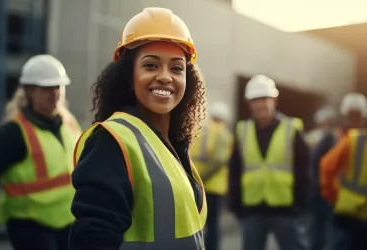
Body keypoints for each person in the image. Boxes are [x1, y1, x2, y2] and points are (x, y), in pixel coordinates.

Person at [68, 7, 208, 250]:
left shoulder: (174, 145)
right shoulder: (111, 141)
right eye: (151, 65)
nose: (165, 77)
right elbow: (92, 239)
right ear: (128, 77)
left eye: (176, 68)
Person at [0, 54, 82, 250]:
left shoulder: (69, 123)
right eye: (47, 88)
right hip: (30, 225)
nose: (55, 93)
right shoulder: (13, 133)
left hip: (69, 220)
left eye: (58, 86)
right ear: (29, 91)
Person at [228, 74, 310, 250]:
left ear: (274, 100)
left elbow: (304, 169)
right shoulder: (242, 130)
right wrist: (235, 203)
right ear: (249, 103)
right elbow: (235, 169)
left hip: (286, 208)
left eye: (264, 98)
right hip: (252, 208)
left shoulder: (291, 128)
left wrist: (300, 203)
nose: (260, 104)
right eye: (255, 99)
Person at [307, 92, 367, 250]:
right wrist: (327, 194)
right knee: (322, 239)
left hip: (346, 207)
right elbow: (320, 166)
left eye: (357, 116)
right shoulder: (333, 138)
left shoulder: (356, 139)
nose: (353, 120)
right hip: (332, 204)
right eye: (350, 116)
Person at [190, 102, 233, 250]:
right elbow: (219, 161)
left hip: (194, 183)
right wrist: (203, 178)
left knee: (195, 223)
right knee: (213, 224)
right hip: (214, 187)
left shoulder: (200, 128)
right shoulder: (223, 133)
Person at [320, 128, 367, 250]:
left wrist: (332, 196)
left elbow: (327, 166)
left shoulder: (354, 139)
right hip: (351, 216)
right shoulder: (354, 139)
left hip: (349, 212)